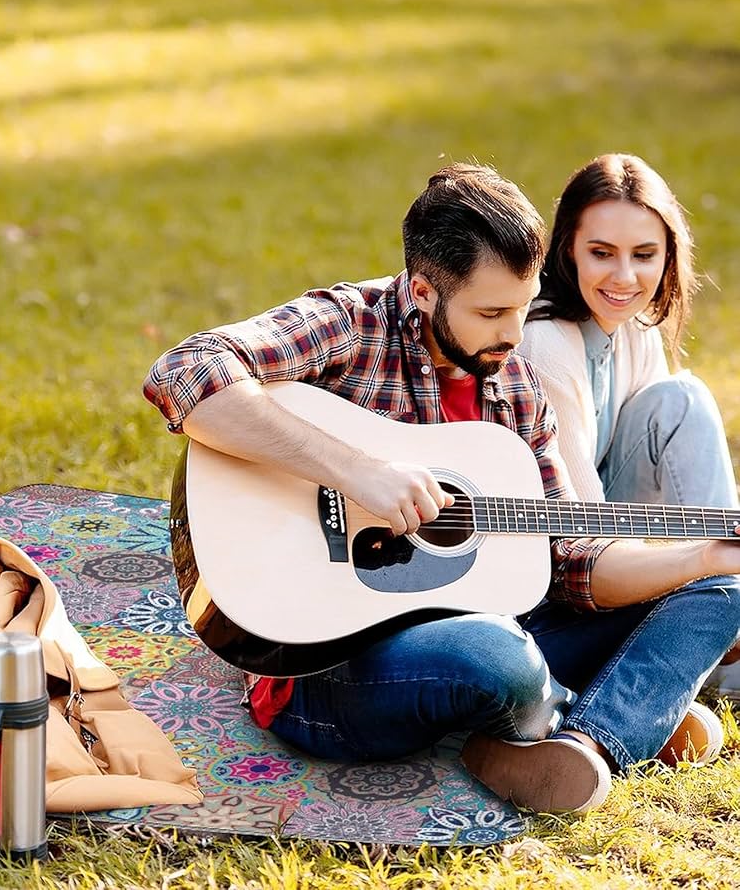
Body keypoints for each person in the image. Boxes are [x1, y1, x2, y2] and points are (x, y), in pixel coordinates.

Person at [143, 163, 740, 815]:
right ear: (424, 291)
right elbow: (186, 370)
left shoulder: (514, 384)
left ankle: (587, 745)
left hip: (496, 627)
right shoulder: (349, 323)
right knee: (496, 658)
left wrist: (700, 558)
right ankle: (610, 708)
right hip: (327, 669)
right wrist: (354, 470)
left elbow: (571, 558)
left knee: (722, 589)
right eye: (491, 313)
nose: (514, 335)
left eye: (522, 305)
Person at [518, 153, 740, 696]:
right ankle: (725, 646)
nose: (624, 277)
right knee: (683, 399)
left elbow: (669, 477)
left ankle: (721, 622)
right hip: (555, 572)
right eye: (602, 253)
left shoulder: (634, 325)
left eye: (644, 255)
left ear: (668, 256)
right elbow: (580, 532)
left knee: (677, 399)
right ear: (567, 246)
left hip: (615, 543)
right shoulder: (546, 341)